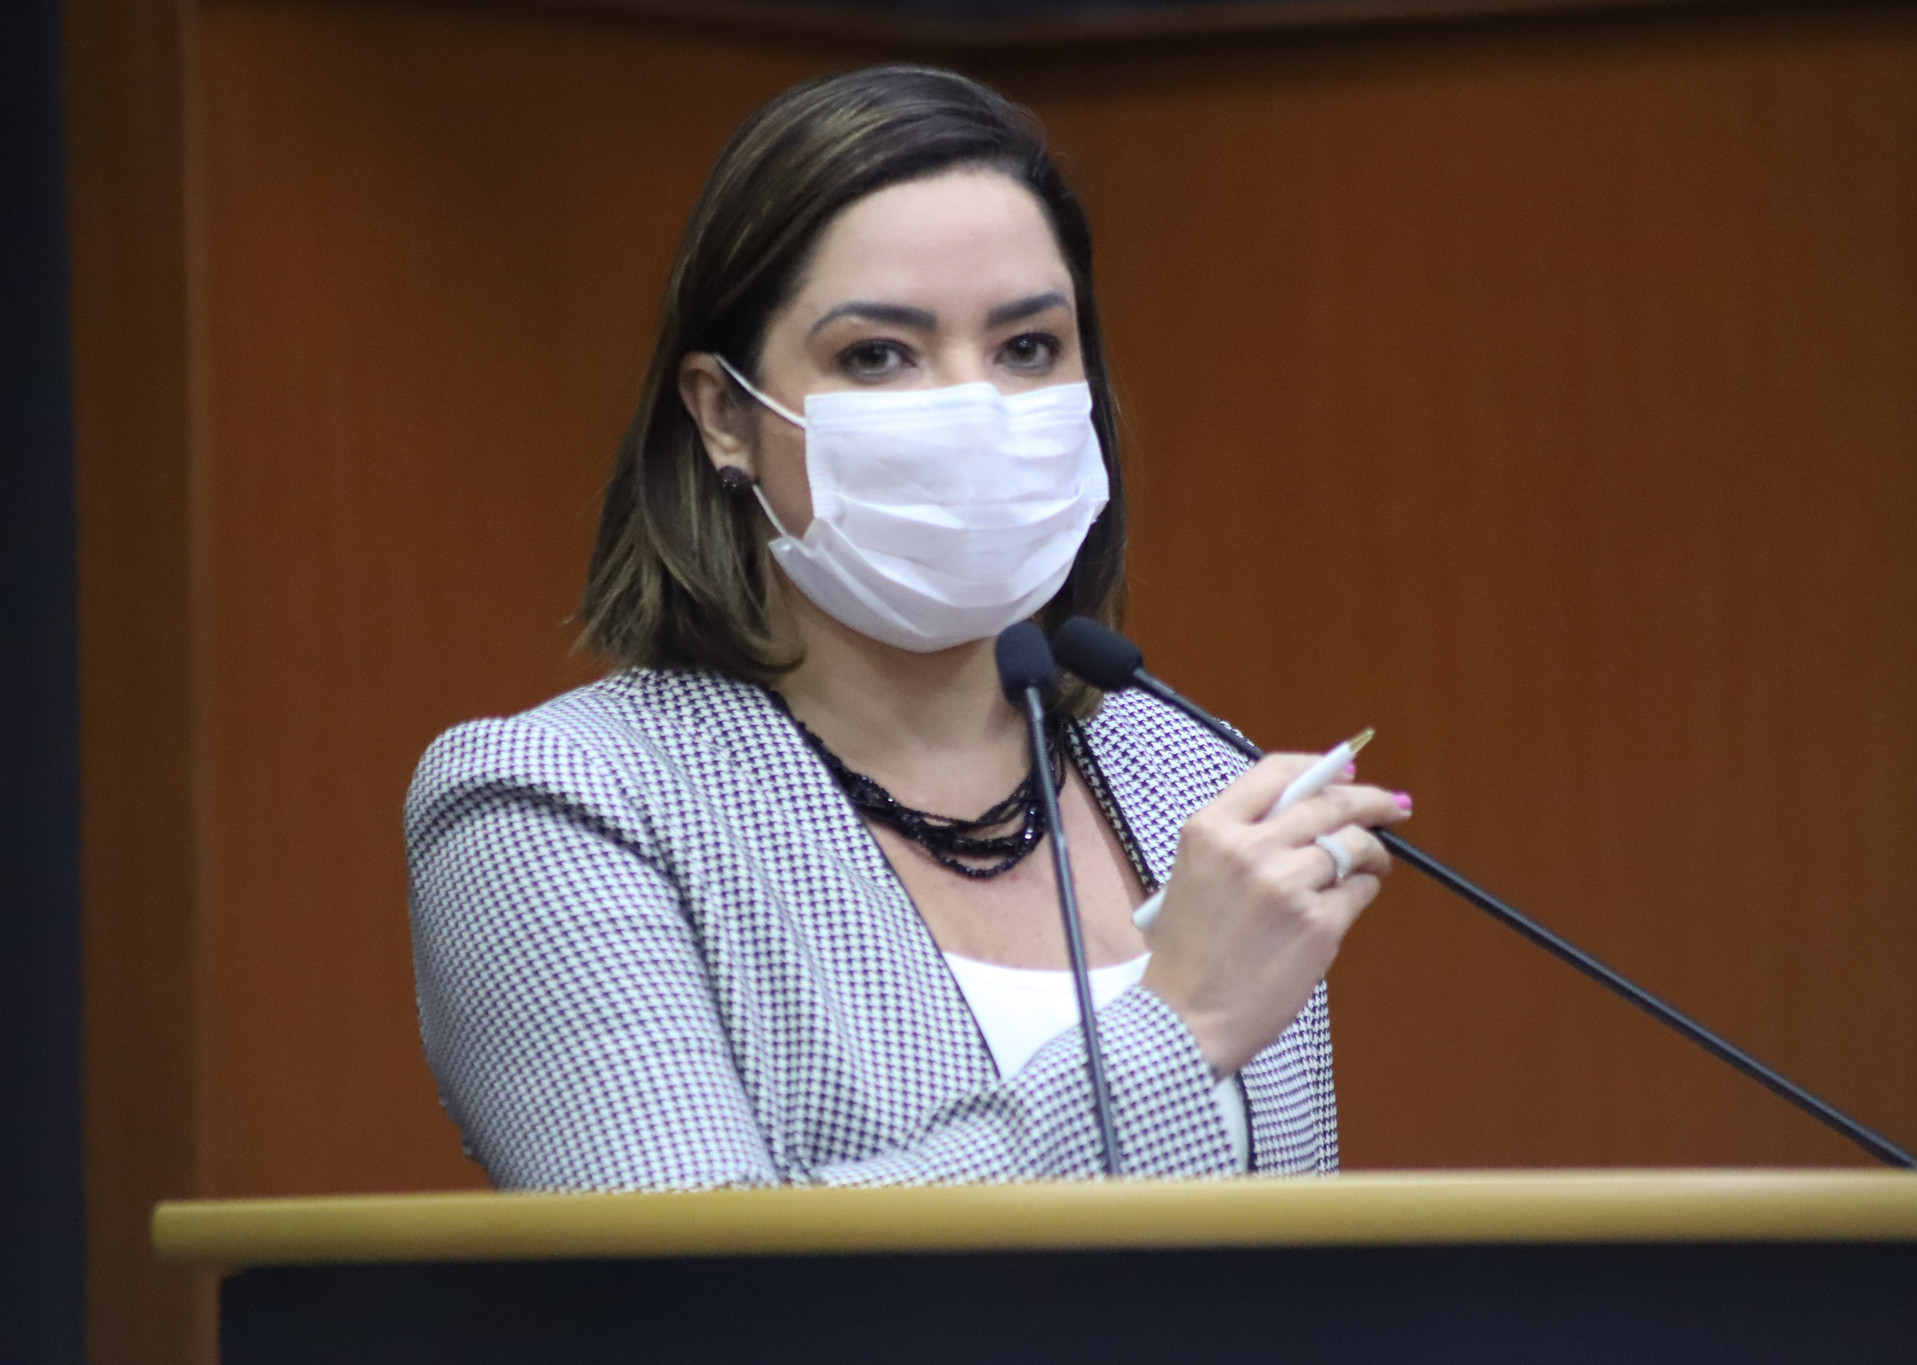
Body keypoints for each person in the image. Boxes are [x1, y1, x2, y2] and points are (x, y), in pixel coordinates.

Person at [406, 65, 1410, 1189]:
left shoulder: (1194, 778)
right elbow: (690, 1274)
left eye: (1027, 347)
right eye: (876, 355)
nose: (974, 408)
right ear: (723, 412)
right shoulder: (559, 801)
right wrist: (1176, 1033)